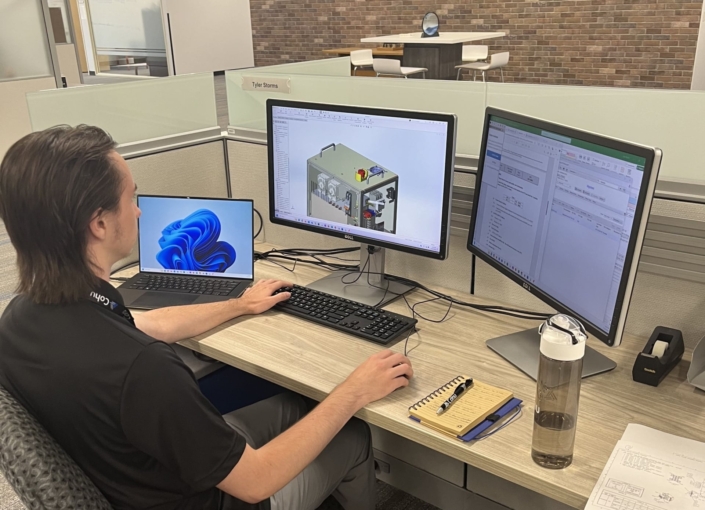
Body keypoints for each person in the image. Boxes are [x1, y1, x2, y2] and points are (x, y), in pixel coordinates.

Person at [0, 125, 414, 510]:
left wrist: (239, 305)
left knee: (298, 404)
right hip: (221, 495)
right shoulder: (144, 369)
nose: (139, 211)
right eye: (131, 198)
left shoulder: (21, 318)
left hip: (137, 471)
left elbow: (147, 325)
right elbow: (254, 481)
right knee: (353, 431)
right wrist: (354, 391)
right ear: (100, 223)